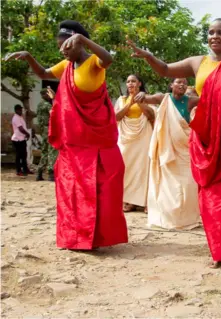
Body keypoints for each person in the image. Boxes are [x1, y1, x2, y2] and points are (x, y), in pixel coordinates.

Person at [127, 17, 221, 267]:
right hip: (209, 138)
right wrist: (148, 57)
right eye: (211, 32)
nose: (215, 36)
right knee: (213, 197)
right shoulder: (197, 62)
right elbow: (166, 70)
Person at [5, 20, 128, 250]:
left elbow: (109, 59)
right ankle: (76, 237)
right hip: (74, 142)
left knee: (100, 189)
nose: (63, 51)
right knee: (72, 188)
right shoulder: (66, 66)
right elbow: (42, 72)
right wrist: (28, 56)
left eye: (67, 46)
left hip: (96, 141)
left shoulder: (94, 62)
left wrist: (84, 39)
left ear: (78, 42)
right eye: (60, 48)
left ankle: (97, 237)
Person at [133, 78, 201, 230]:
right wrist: (141, 94)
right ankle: (167, 217)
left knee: (188, 183)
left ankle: (187, 218)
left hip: (185, 147)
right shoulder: (163, 98)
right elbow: (146, 98)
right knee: (167, 185)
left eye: (184, 82)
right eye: (178, 82)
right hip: (166, 148)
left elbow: (208, 99)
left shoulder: (190, 101)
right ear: (171, 85)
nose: (182, 85)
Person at [115, 74, 154, 213]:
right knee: (125, 167)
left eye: (133, 81)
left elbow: (151, 116)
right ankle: (129, 201)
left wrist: (140, 101)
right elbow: (116, 117)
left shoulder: (147, 98)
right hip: (125, 139)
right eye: (128, 81)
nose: (130, 83)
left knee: (143, 168)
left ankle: (144, 202)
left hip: (143, 137)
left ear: (139, 83)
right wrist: (129, 104)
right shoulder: (122, 99)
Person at [36, 88, 58, 181]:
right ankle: (51, 173)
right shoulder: (47, 105)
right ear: (44, 95)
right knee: (52, 150)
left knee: (44, 151)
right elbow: (53, 113)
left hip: (42, 130)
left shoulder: (39, 104)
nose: (49, 96)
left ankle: (39, 172)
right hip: (48, 129)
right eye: (48, 94)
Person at [11, 104, 30, 177]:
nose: (21, 111)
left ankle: (25, 169)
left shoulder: (20, 117)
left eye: (21, 110)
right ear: (16, 110)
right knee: (19, 156)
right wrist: (27, 134)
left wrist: (25, 135)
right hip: (17, 140)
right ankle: (18, 171)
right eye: (20, 110)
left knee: (24, 155)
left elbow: (23, 128)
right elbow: (21, 129)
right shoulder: (15, 118)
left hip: (22, 139)